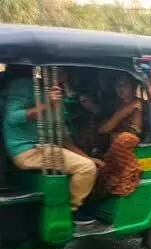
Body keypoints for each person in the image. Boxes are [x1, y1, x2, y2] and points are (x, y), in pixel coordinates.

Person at [2, 65, 102, 226]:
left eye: (65, 72)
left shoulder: (57, 96)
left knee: (89, 166)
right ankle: (70, 212)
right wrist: (47, 105)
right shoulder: (24, 85)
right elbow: (13, 118)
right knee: (86, 168)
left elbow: (62, 137)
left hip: (43, 148)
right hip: (25, 150)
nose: (64, 75)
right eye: (60, 70)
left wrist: (87, 158)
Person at [97, 74, 143, 197]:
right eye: (117, 85)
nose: (120, 88)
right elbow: (102, 129)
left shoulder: (138, 106)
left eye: (124, 85)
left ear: (133, 87)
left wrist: (121, 115)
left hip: (125, 151)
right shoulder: (117, 105)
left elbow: (132, 134)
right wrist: (122, 112)